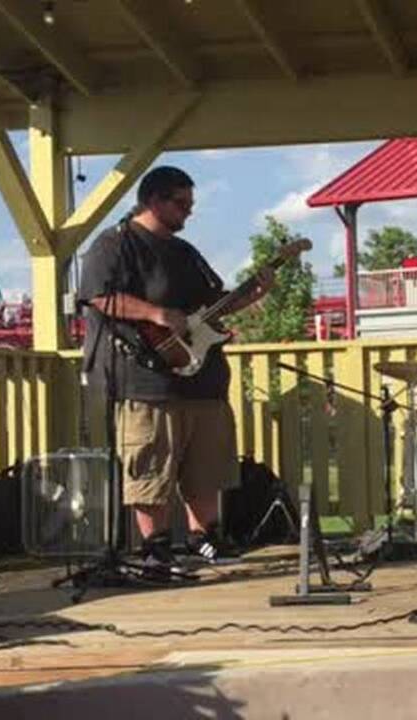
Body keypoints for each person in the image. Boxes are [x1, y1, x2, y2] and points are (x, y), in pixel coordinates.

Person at [78, 166, 275, 571]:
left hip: (202, 379)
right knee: (151, 467)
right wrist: (156, 313)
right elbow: (98, 296)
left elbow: (211, 304)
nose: (188, 212)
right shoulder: (115, 244)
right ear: (154, 200)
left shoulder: (185, 252)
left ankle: (206, 539)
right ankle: (156, 546)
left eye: (190, 204)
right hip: (147, 379)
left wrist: (252, 293)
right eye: (181, 203)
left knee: (208, 466)